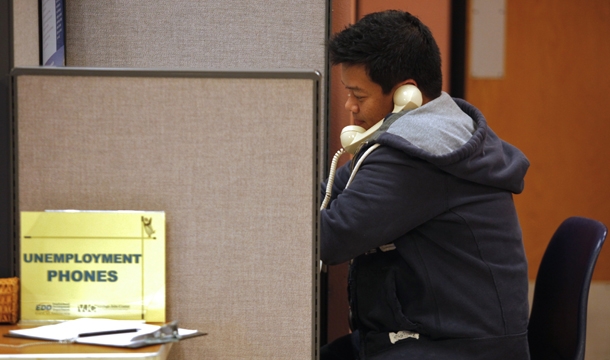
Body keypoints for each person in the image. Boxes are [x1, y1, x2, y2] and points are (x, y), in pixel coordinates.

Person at [320, 10, 531, 360]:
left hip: (457, 348)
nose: (349, 106)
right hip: (442, 337)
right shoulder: (437, 130)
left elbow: (330, 238)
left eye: (358, 94)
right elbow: (336, 188)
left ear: (407, 95)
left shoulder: (418, 154)